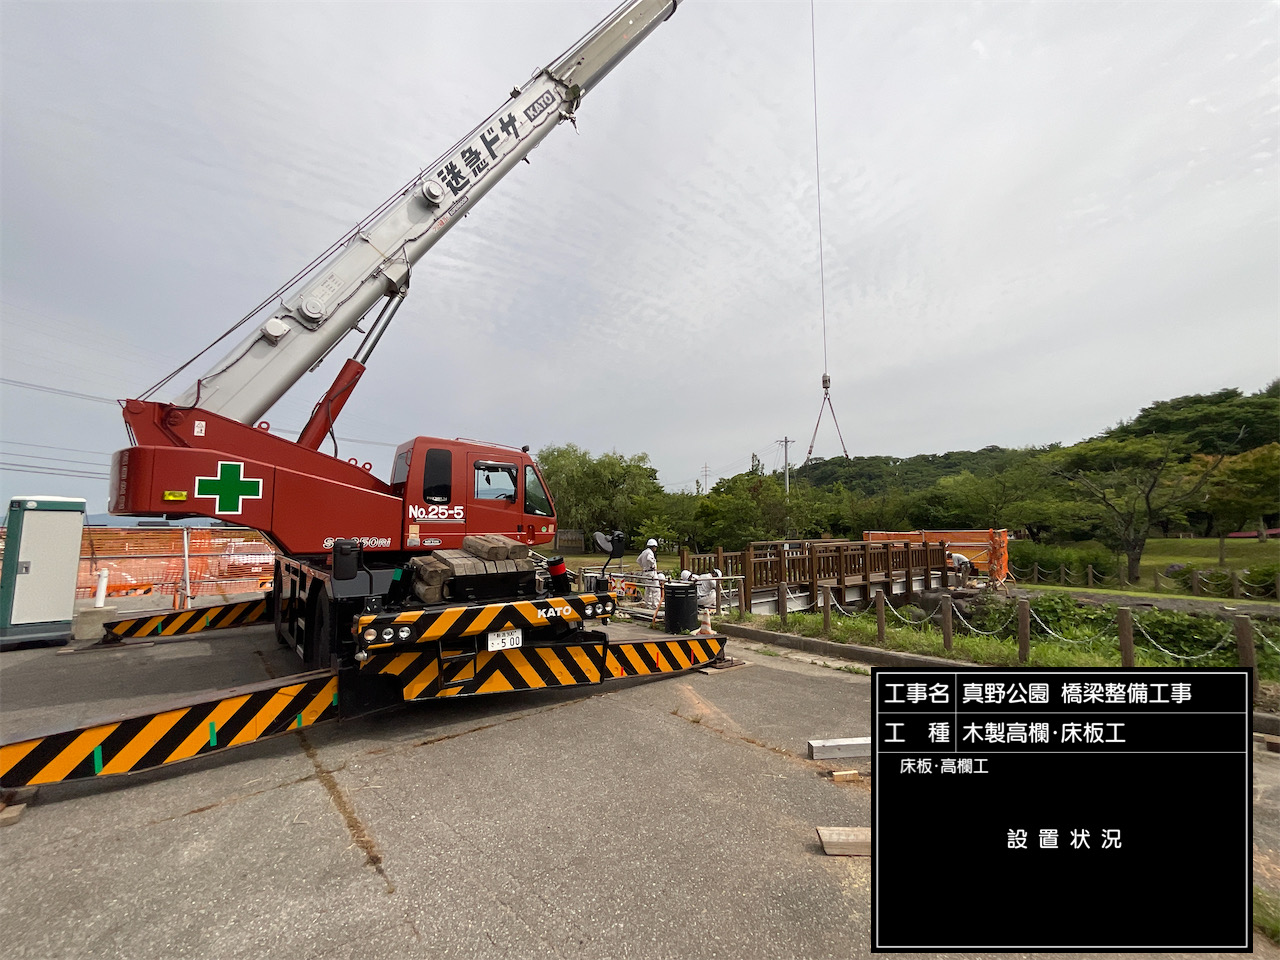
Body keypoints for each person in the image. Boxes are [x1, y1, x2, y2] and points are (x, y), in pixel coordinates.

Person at [638, 538, 660, 607]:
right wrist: (652, 565)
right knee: (656, 589)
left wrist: (643, 566)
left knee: (648, 589)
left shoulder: (644, 552)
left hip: (645, 572)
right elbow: (649, 559)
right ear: (653, 546)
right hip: (651, 573)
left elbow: (638, 560)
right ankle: (655, 605)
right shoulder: (650, 552)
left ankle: (648, 604)